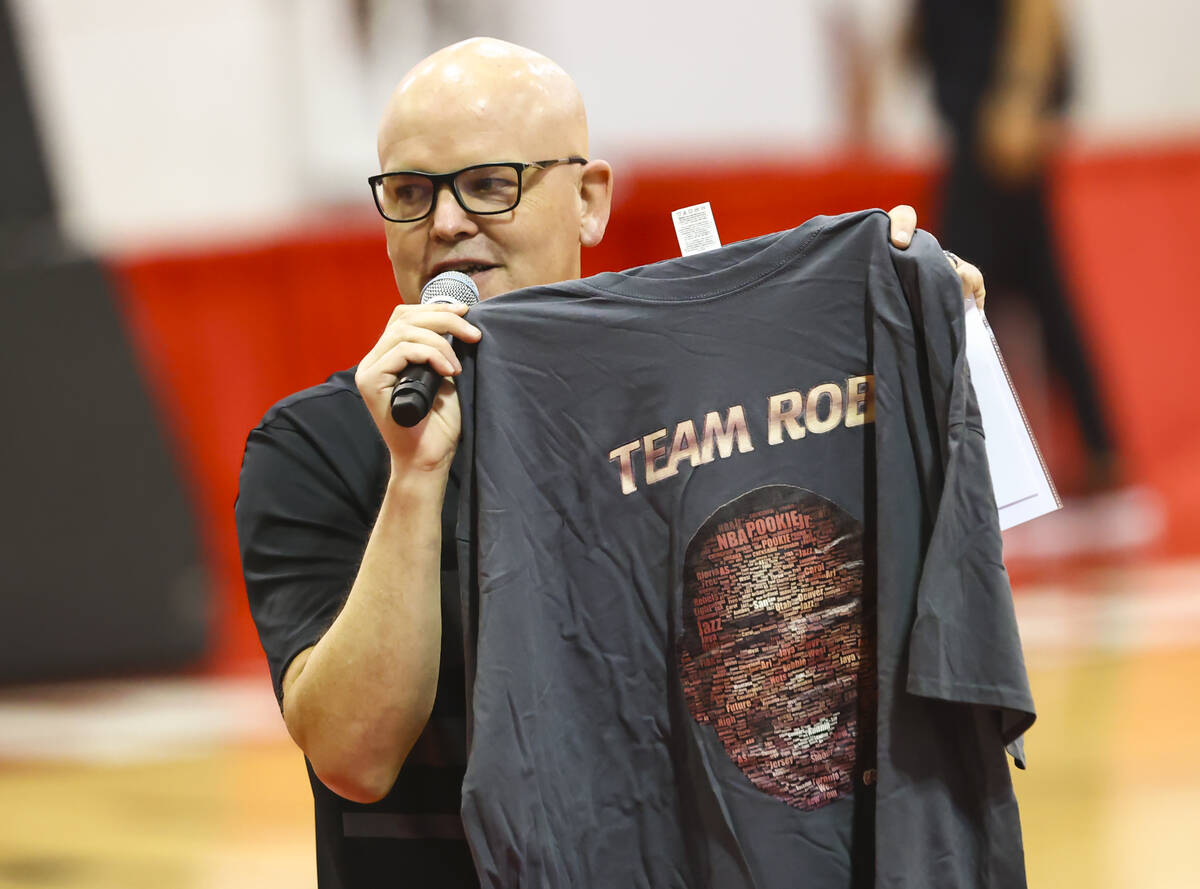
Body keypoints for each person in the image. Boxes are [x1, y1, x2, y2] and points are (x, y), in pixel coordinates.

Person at [235, 36, 988, 888]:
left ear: (589, 200)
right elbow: (354, 756)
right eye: (411, 194)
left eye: (489, 183)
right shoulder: (315, 444)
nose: (445, 223)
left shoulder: (691, 403)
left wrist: (917, 322)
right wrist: (414, 478)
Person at [909, 0, 1119, 492]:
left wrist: (1021, 102)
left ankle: (965, 462)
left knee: (961, 305)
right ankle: (1088, 452)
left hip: (1001, 144)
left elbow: (1037, 19)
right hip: (976, 141)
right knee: (986, 305)